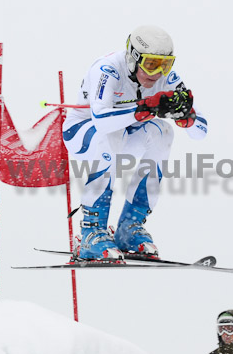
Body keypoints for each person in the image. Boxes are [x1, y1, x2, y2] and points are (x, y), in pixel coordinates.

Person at [63, 25, 208, 260]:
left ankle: (129, 228)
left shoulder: (167, 78)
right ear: (133, 58)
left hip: (123, 136)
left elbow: (202, 130)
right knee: (110, 135)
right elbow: (100, 120)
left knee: (163, 132)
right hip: (83, 133)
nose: (157, 72)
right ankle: (91, 231)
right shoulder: (108, 68)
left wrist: (185, 118)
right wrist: (145, 107)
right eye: (151, 64)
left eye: (166, 64)